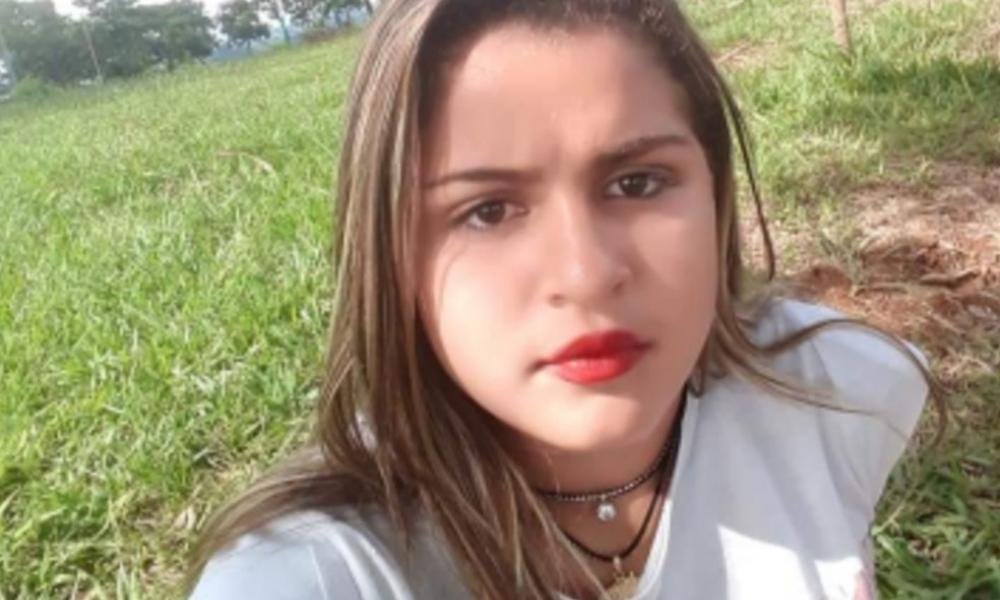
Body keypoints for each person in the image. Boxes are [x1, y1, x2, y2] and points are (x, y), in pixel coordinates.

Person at [186, 1, 943, 598]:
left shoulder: (843, 395)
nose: (585, 274)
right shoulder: (316, 573)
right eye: (487, 211)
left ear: (716, 192)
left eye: (637, 183)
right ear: (390, 254)